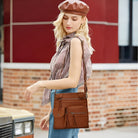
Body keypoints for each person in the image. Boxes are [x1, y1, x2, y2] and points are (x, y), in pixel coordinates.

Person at [24, 0, 94, 137]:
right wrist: (50, 112)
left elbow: (72, 81)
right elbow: (60, 80)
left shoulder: (74, 42)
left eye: (74, 19)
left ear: (83, 20)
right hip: (62, 104)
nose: (68, 23)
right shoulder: (66, 42)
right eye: (65, 18)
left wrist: (39, 84)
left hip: (65, 105)